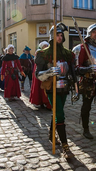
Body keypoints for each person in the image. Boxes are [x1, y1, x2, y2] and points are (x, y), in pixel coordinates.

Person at [35, 23, 79, 159]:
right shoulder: (43, 54)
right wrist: (48, 72)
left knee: (57, 112)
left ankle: (51, 133)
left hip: (64, 88)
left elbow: (73, 72)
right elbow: (38, 74)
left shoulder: (68, 54)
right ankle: (66, 147)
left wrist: (76, 90)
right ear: (51, 37)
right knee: (60, 114)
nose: (59, 38)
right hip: (51, 88)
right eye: (57, 35)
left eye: (61, 35)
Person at [29, 41, 52, 110]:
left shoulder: (49, 53)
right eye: (44, 46)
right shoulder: (39, 53)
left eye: (46, 46)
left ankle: (48, 103)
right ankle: (40, 102)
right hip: (40, 72)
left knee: (48, 87)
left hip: (47, 72)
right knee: (39, 88)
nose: (45, 47)